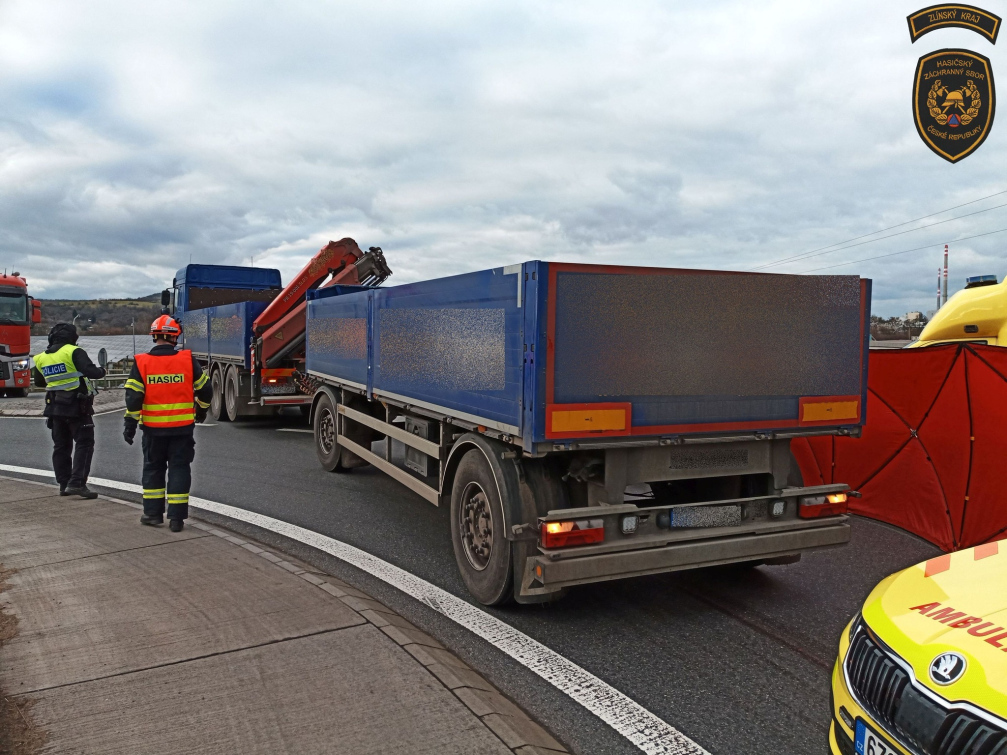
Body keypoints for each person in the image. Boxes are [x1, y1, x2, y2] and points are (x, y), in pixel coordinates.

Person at [122, 315, 212, 532]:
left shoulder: (142, 362)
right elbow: (205, 389)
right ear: (175, 336)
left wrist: (130, 424)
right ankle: (177, 519)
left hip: (153, 431)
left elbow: (134, 397)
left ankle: (153, 515)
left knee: (153, 469)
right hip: (182, 430)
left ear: (154, 336)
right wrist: (201, 409)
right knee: (180, 469)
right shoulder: (186, 360)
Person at [31, 322, 107, 498]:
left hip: (54, 408)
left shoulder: (41, 357)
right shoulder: (73, 352)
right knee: (85, 443)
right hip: (77, 407)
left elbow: (40, 383)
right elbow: (92, 372)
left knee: (61, 447)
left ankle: (63, 484)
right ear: (72, 338)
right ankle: (77, 483)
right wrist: (102, 371)